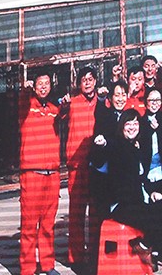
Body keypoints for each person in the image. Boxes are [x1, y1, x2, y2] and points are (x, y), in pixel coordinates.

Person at [91, 109, 162, 272]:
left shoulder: (137, 147)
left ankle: (146, 247)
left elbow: (141, 178)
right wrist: (101, 145)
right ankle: (146, 248)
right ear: (121, 126)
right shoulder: (118, 145)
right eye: (128, 123)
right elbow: (99, 158)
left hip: (136, 202)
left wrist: (152, 192)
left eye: (135, 123)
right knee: (156, 217)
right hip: (120, 205)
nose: (132, 127)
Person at [18, 70, 61, 275]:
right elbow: (22, 100)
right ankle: (27, 268)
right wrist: (24, 90)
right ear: (34, 87)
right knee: (28, 225)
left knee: (48, 224)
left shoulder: (54, 109)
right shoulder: (26, 107)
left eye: (46, 83)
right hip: (31, 174)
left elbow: (68, 112)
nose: (43, 87)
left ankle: (47, 265)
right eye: (39, 84)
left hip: (52, 174)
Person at [59, 67, 98, 272]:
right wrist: (62, 103)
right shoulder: (72, 103)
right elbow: (58, 113)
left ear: (96, 81)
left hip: (97, 166)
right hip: (76, 166)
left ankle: (94, 255)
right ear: (79, 84)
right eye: (84, 80)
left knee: (96, 213)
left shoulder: (103, 102)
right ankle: (76, 258)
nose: (88, 83)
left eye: (91, 79)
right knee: (76, 213)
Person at [88, 80, 128, 269]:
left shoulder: (129, 116)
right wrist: (100, 98)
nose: (120, 98)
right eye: (117, 95)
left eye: (123, 94)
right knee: (103, 220)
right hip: (104, 177)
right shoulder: (106, 114)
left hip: (122, 178)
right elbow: (99, 112)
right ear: (111, 98)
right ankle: (97, 264)